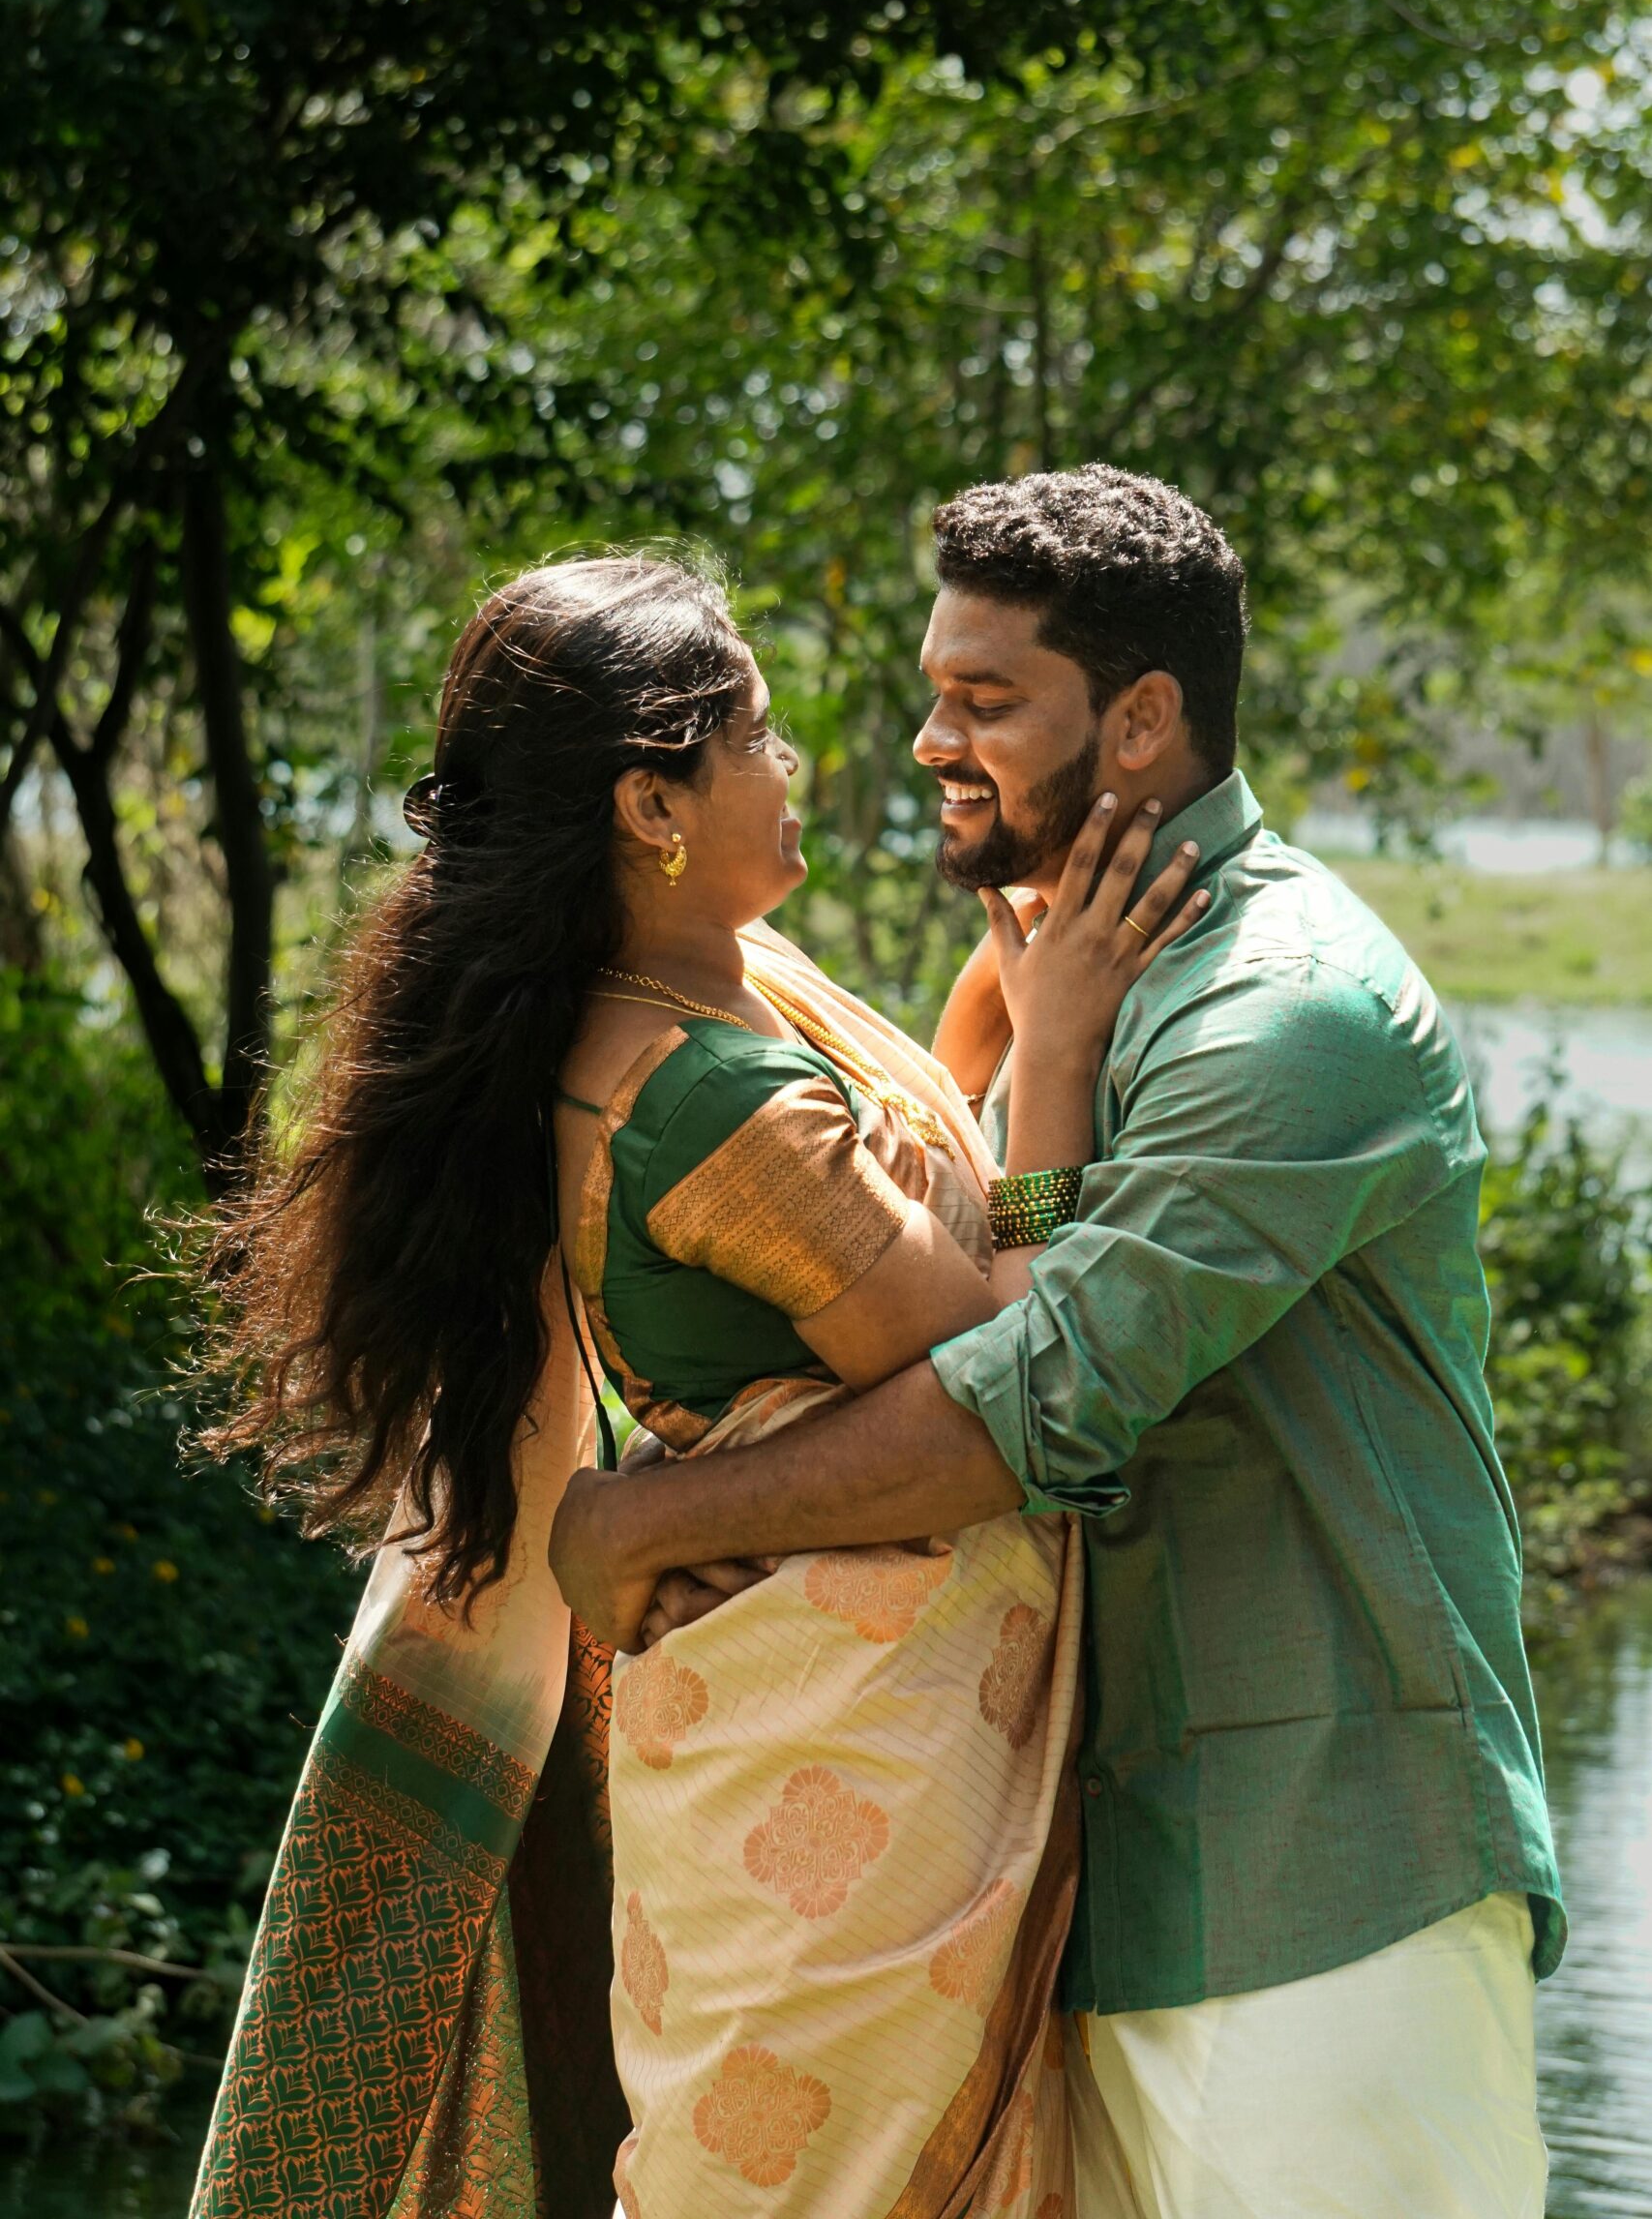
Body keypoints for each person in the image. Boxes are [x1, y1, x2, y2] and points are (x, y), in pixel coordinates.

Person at [552, 467, 1566, 2219]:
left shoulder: (1284, 1009)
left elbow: (1020, 1403)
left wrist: (644, 1522)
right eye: (936, 689)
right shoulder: (1073, 976)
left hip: (1325, 1875)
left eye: (988, 699)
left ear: (1146, 717)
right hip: (1083, 1892)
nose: (934, 739)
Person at [184, 549, 1203, 2219]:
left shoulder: (688, 999)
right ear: (654, 805)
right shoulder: (697, 1097)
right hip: (848, 1788)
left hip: (779, 1740)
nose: (792, 770)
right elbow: (995, 1371)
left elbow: (859, 1222)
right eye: (760, 738)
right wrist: (1067, 1062)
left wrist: (988, 1015)